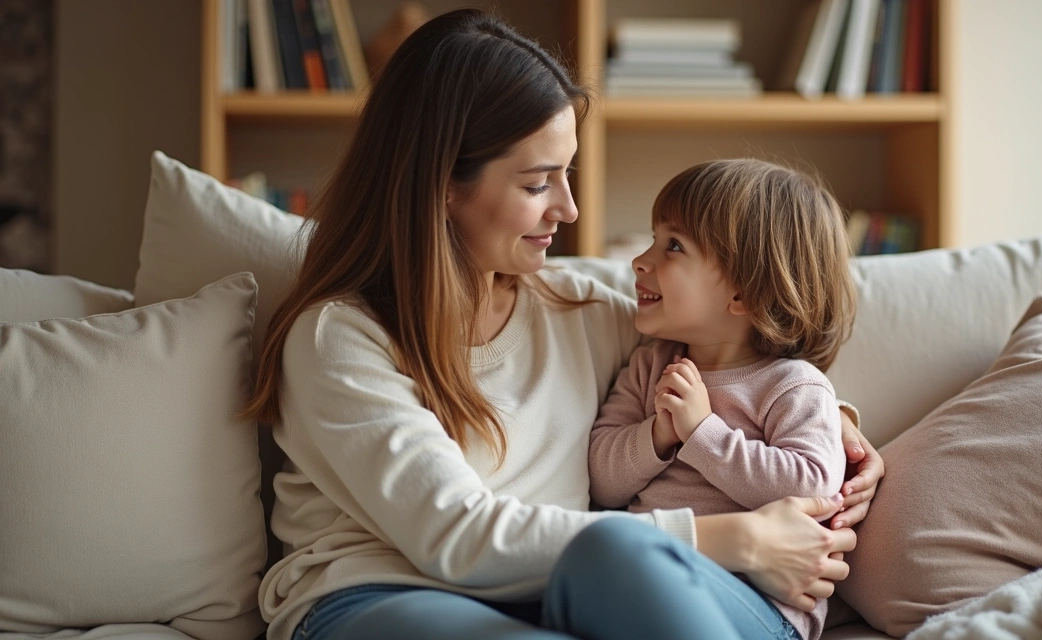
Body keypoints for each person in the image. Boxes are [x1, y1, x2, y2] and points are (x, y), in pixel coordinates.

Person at [243, 9, 884, 640]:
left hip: (560, 597)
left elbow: (734, 342)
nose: (569, 209)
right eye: (537, 183)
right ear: (440, 183)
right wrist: (737, 538)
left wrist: (841, 438)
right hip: (380, 596)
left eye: (567, 174)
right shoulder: (341, 337)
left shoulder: (583, 312)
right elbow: (454, 537)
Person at [588, 158, 856, 640]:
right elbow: (604, 482)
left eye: (673, 246)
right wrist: (659, 433)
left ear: (744, 293)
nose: (640, 260)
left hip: (762, 605)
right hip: (654, 572)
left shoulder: (794, 385)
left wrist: (701, 433)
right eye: (653, 239)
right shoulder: (650, 367)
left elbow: (812, 486)